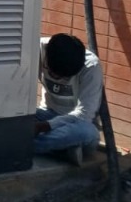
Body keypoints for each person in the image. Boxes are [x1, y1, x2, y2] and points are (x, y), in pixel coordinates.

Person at [34, 32, 103, 164]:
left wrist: (46, 126)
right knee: (17, 119)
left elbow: (84, 114)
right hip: (46, 113)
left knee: (88, 133)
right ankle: (62, 149)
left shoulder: (91, 66)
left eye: (63, 77)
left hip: (74, 122)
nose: (57, 78)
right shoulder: (37, 49)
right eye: (52, 73)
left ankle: (23, 145)